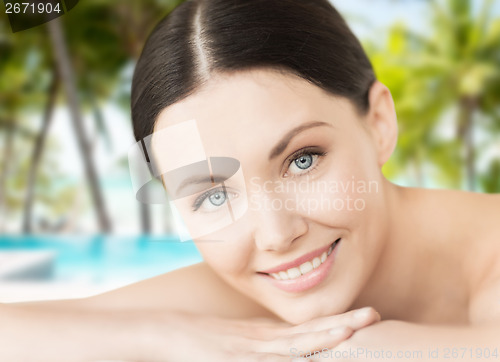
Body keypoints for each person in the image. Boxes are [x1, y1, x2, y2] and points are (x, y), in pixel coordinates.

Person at [2, 0, 500, 361]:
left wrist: (363, 350)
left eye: (303, 160)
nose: (277, 235)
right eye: (213, 194)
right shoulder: (258, 292)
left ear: (379, 124)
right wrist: (164, 337)